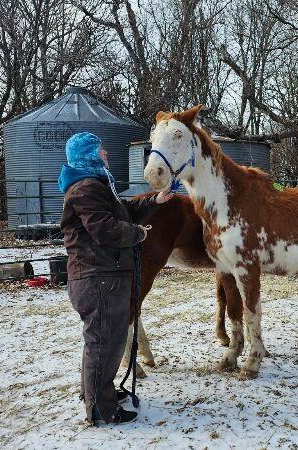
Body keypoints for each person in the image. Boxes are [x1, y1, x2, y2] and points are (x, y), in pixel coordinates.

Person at [58, 132, 172, 425]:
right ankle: (101, 409)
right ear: (89, 155)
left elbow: (125, 211)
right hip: (99, 277)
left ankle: (97, 394)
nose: (106, 154)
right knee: (104, 343)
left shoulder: (95, 185)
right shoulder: (86, 188)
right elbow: (104, 229)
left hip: (102, 275)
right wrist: (138, 234)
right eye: (101, 150)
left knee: (101, 340)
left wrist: (155, 200)